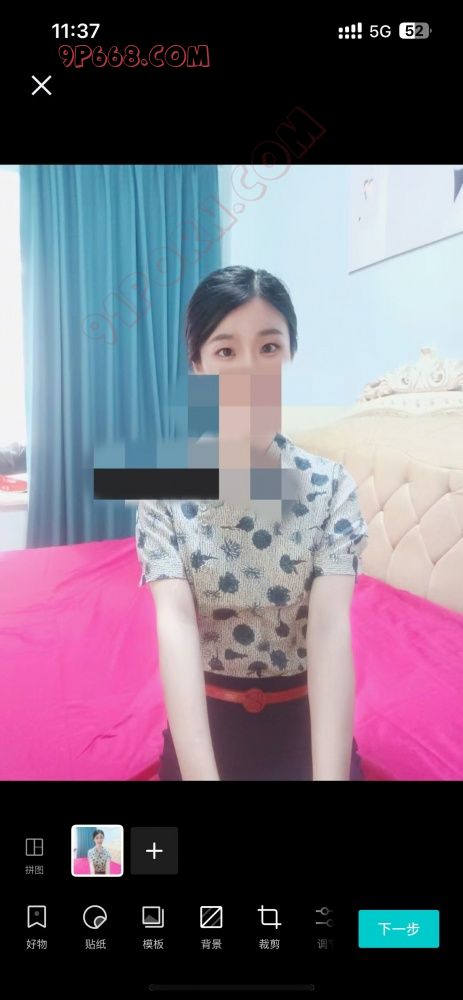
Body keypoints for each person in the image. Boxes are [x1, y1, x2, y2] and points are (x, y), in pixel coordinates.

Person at [136, 266, 368, 781]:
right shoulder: (163, 491)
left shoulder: (332, 487)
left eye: (268, 347)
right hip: (207, 726)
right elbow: (175, 625)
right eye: (225, 351)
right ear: (197, 365)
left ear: (290, 355)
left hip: (306, 721)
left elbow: (330, 629)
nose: (250, 370)